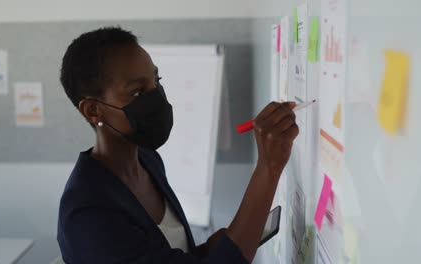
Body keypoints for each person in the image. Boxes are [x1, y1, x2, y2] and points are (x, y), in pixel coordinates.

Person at [57, 26, 298, 264]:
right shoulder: (89, 214)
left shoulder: (147, 159)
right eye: (138, 92)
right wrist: (269, 167)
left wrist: (205, 251)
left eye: (156, 80)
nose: (157, 96)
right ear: (93, 110)